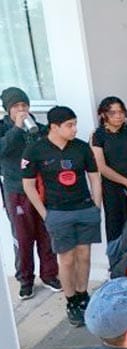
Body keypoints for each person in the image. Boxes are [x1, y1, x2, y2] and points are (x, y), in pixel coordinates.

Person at [22, 106, 102, 327]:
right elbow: (28, 185)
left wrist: (96, 205)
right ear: (54, 127)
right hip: (57, 212)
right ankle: (71, 300)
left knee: (84, 255)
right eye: (70, 125)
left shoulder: (82, 148)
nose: (74, 129)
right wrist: (45, 214)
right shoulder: (35, 150)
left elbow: (95, 178)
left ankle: (83, 295)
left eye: (75, 124)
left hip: (85, 208)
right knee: (66, 259)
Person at [0, 86, 60, 299]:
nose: (21, 109)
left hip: (41, 188)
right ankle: (25, 279)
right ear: (8, 109)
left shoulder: (39, 128)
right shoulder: (3, 129)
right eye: (16, 106)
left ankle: (50, 274)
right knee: (23, 237)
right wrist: (17, 129)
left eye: (24, 105)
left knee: (46, 233)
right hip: (16, 190)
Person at [91, 96, 127, 243]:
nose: (118, 116)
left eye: (121, 112)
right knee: (116, 225)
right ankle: (117, 262)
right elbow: (101, 167)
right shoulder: (98, 135)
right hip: (113, 188)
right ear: (103, 115)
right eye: (113, 113)